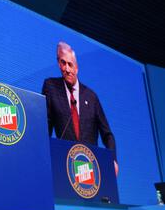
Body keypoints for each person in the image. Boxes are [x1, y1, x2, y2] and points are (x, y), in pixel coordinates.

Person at [42, 41, 118, 176]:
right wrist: (43, 156)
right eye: (62, 63)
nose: (66, 69)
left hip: (90, 166)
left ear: (76, 68)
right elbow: (45, 126)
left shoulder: (91, 96)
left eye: (70, 64)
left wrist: (112, 160)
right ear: (58, 64)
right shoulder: (51, 87)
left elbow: (107, 134)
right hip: (65, 164)